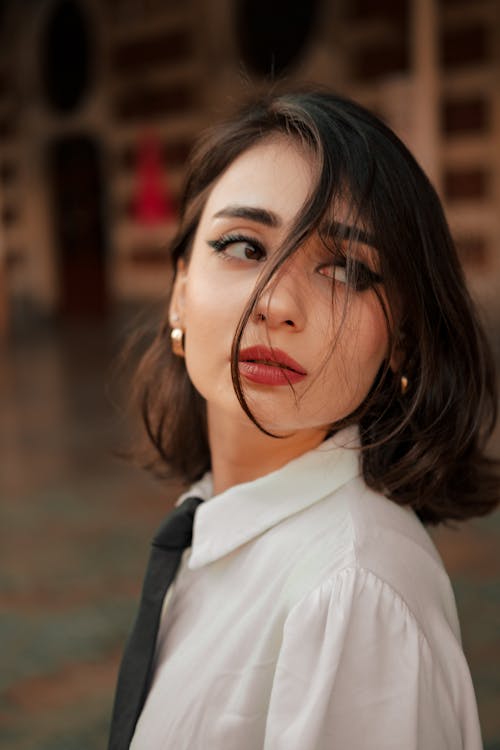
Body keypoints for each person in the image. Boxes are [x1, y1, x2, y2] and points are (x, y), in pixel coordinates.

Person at [109, 87, 499, 750]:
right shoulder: (218, 517)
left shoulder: (353, 600)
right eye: (243, 246)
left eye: (345, 268)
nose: (277, 302)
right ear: (180, 289)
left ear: (399, 338)